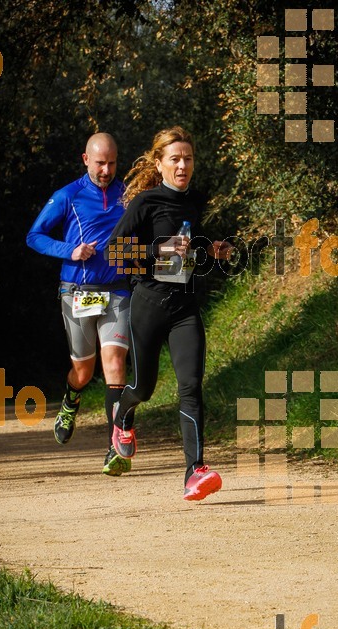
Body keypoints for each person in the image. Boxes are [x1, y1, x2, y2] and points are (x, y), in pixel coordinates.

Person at [107, 126, 233, 501]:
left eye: (188, 159)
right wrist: (157, 250)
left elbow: (191, 247)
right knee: (143, 388)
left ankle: (194, 471)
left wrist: (213, 250)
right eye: (175, 159)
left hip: (184, 310)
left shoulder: (196, 201)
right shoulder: (145, 203)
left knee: (191, 387)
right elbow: (114, 252)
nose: (183, 165)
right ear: (159, 163)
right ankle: (122, 418)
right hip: (148, 306)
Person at [27, 132, 131, 477]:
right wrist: (68, 251)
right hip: (78, 291)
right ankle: (71, 401)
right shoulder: (67, 196)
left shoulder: (128, 194)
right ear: (85, 159)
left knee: (115, 363)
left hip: (117, 290)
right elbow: (34, 236)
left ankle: (115, 444)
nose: (106, 170)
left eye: (112, 163)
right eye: (100, 163)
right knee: (84, 373)